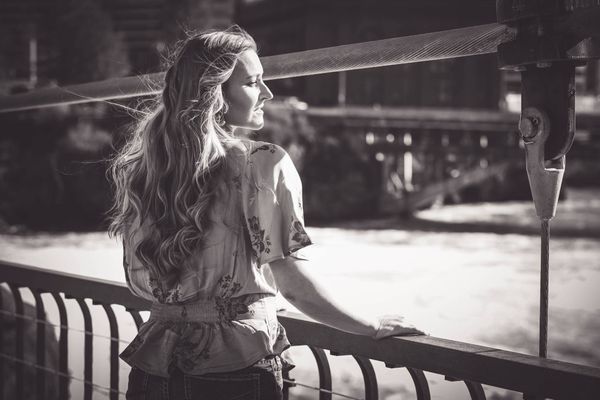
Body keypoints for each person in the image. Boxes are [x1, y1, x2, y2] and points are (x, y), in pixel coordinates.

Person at [108, 25, 423, 400]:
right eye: (252, 82)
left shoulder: (144, 169)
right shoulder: (262, 162)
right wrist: (371, 326)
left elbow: (142, 281)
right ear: (215, 94)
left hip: (154, 368)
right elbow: (292, 285)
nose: (268, 93)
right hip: (234, 369)